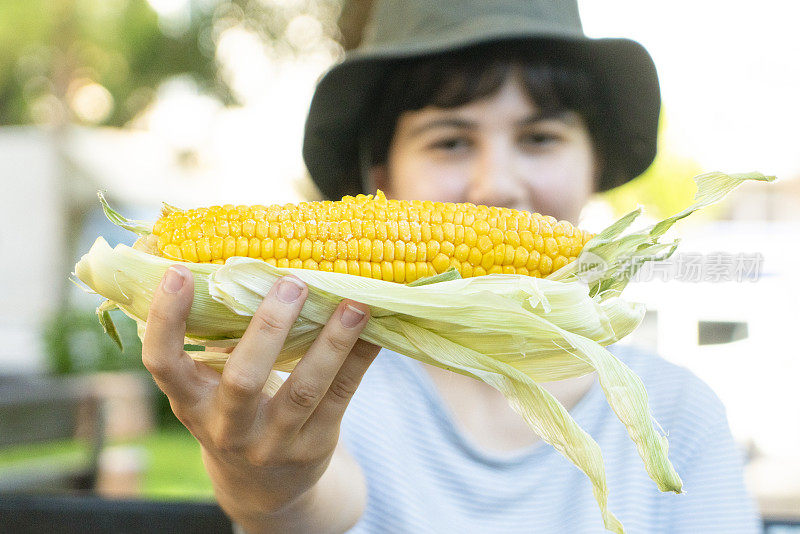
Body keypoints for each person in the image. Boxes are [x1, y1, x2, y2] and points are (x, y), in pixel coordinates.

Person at [141, 0, 761, 532]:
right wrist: (272, 493)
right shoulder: (321, 392)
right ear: (380, 182)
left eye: (540, 138)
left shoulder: (680, 413)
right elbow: (310, 502)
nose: (497, 187)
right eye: (450, 141)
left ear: (594, 164)